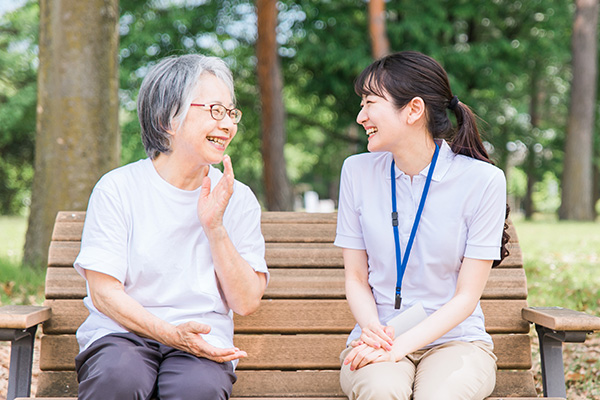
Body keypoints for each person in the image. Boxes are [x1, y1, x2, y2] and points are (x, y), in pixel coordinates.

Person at [73, 54, 269, 400]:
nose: (227, 124)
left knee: (198, 391)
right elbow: (104, 293)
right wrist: (170, 333)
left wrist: (215, 227)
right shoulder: (118, 188)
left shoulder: (237, 198)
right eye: (214, 111)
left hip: (202, 341)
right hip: (122, 334)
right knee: (118, 379)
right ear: (167, 119)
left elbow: (247, 300)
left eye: (230, 112)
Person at [334, 51, 510, 399]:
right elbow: (355, 277)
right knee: (381, 392)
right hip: (377, 335)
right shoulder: (357, 172)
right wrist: (376, 334)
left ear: (413, 110)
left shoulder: (484, 181)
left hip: (456, 342)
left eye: (370, 103)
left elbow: (465, 298)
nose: (360, 116)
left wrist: (397, 349)